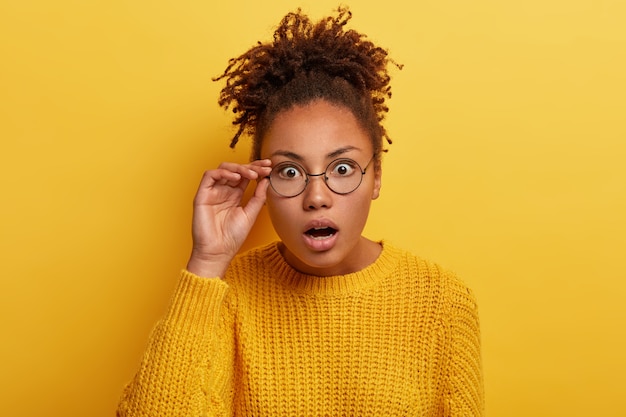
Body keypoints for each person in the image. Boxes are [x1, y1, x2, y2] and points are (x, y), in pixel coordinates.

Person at [117, 6, 484, 417]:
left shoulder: (442, 302)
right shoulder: (226, 294)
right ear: (262, 182)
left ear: (376, 176)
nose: (317, 196)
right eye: (290, 171)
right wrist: (206, 264)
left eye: (341, 169)